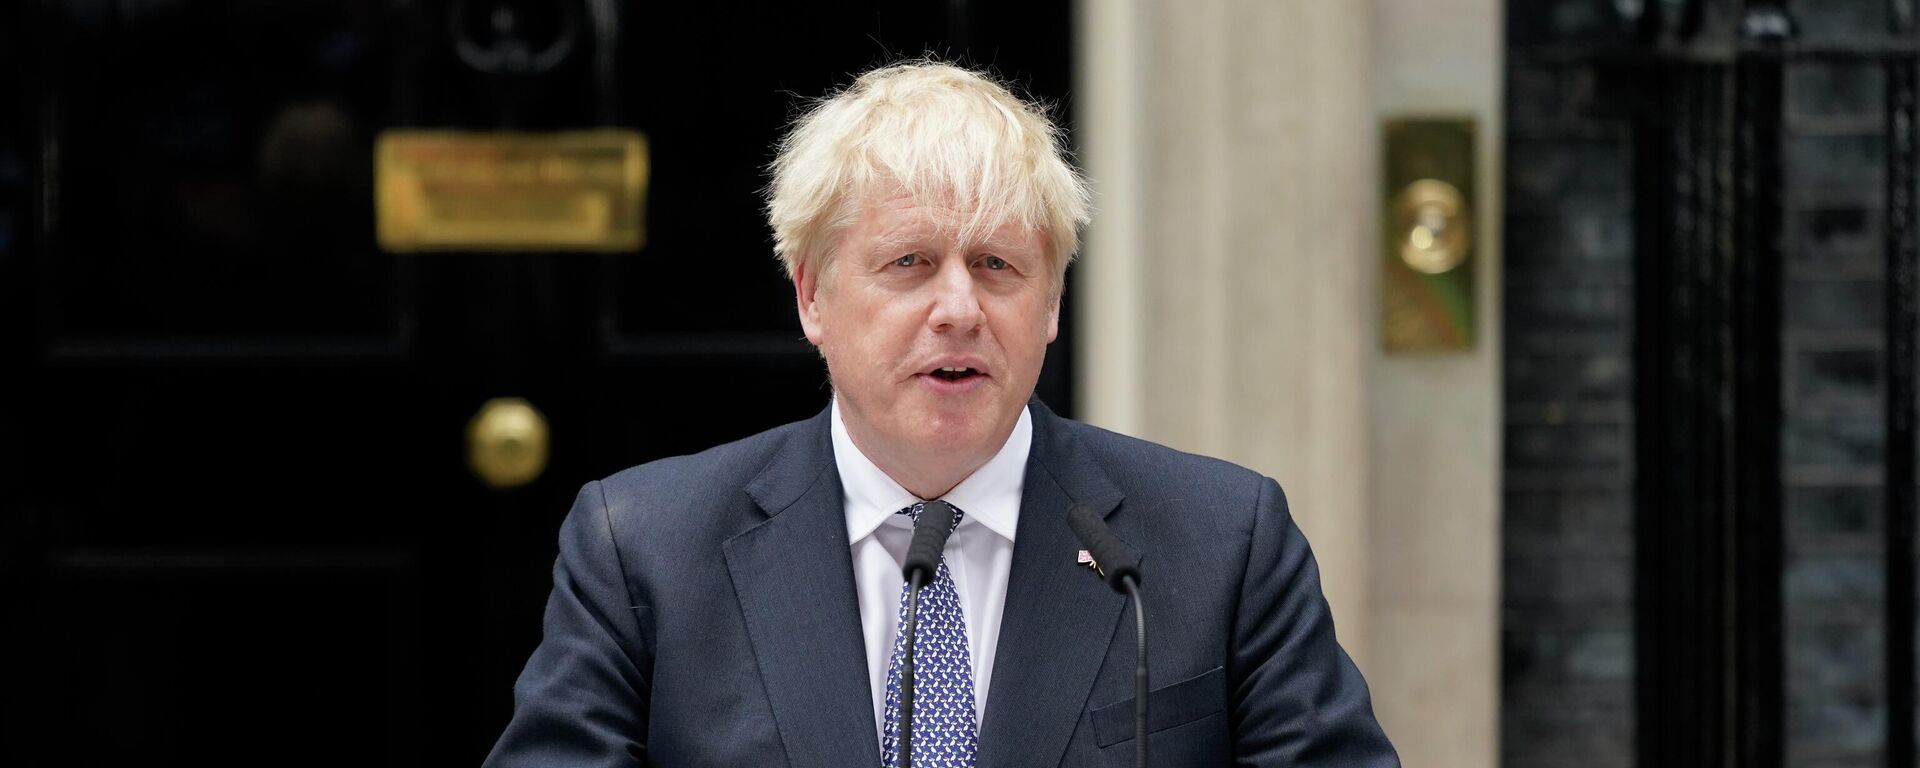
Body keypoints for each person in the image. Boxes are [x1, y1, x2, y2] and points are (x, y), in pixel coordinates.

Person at [483, 61, 1398, 768]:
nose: (959, 308)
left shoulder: (1222, 543)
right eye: (910, 263)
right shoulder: (644, 549)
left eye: (998, 266)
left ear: (1051, 304)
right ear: (812, 297)